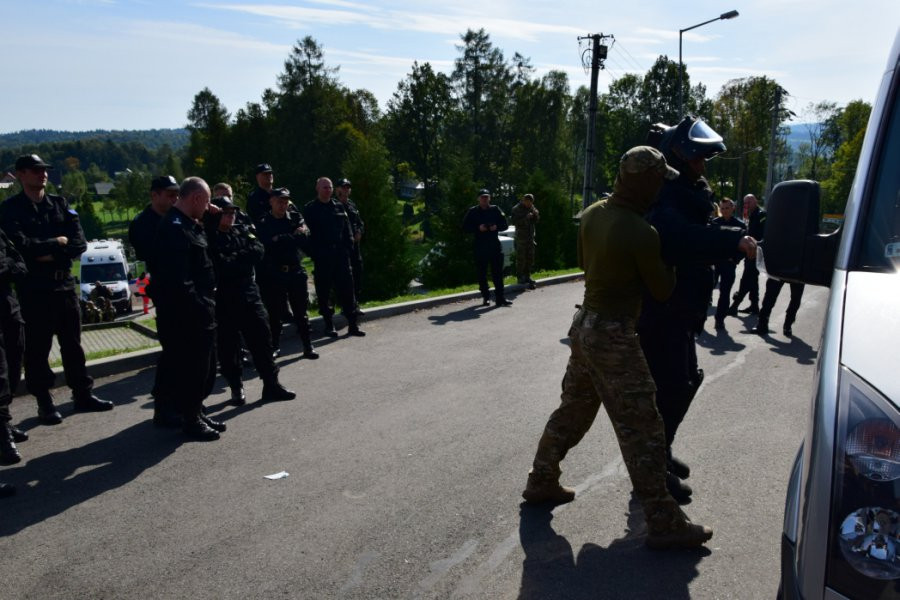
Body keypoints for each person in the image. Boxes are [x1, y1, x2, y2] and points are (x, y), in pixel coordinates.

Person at [522, 146, 713, 550]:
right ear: (646, 180)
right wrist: (672, 260)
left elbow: (583, 263)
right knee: (643, 427)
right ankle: (663, 521)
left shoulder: (592, 213)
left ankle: (541, 480)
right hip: (614, 336)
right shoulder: (643, 232)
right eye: (659, 179)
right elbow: (662, 290)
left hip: (584, 324)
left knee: (572, 409)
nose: (662, 187)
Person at [639, 118, 757, 503]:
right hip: (660, 311)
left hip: (682, 309)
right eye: (699, 159)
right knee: (670, 388)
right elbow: (680, 239)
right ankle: (651, 475)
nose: (703, 166)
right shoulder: (665, 197)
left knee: (686, 382)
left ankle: (661, 454)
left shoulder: (688, 191)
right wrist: (732, 238)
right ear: (680, 156)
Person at [0, 154, 113, 425]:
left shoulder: (60, 204)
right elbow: (21, 248)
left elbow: (78, 244)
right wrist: (56, 243)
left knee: (73, 345)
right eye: (36, 170)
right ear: (21, 175)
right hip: (35, 289)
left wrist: (50, 250)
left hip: (64, 285)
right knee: (38, 348)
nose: (43, 174)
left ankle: (82, 393)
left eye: (45, 170)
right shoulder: (10, 210)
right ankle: (45, 402)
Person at [204, 195, 296, 404]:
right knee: (229, 347)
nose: (231, 216)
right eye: (225, 212)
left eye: (233, 212)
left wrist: (236, 258)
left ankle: (271, 385)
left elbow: (258, 250)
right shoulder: (210, 237)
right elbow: (221, 264)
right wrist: (240, 258)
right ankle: (236, 387)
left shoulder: (242, 230)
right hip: (225, 298)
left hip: (249, 293)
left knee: (263, 340)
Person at [151, 177, 223, 441]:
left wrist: (211, 217)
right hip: (187, 313)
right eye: (205, 202)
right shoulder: (174, 228)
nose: (207, 208)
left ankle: (196, 412)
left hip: (198, 308)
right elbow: (180, 280)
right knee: (192, 368)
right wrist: (202, 306)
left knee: (203, 366)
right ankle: (191, 421)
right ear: (194, 199)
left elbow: (205, 251)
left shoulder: (189, 224)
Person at [128, 175, 180, 427]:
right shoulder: (143, 223)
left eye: (176, 194)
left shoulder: (177, 216)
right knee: (172, 352)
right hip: (165, 290)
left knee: (183, 352)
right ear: (154, 195)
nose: (174, 199)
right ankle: (163, 406)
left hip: (183, 289)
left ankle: (179, 403)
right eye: (169, 194)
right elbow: (157, 253)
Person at [258, 188, 320, 358]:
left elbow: (303, 237)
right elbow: (267, 244)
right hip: (275, 273)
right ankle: (275, 346)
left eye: (286, 201)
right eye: (279, 201)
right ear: (271, 201)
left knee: (301, 311)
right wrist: (288, 237)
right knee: (275, 312)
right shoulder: (264, 221)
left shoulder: (294, 217)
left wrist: (281, 238)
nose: (283, 204)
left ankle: (308, 346)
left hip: (295, 270)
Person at [303, 177, 365, 337]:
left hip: (341, 256)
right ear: (317, 189)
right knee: (324, 293)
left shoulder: (339, 206)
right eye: (324, 187)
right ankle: (329, 325)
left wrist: (348, 248)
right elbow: (306, 236)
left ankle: (353, 325)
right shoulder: (310, 209)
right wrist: (315, 254)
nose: (328, 190)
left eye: (329, 187)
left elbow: (348, 230)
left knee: (348, 290)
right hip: (323, 257)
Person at [0, 227, 26, 465]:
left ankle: (5, 421)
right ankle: (2, 435)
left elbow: (19, 263)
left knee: (14, 365)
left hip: (8, 307)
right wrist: (7, 266)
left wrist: (5, 267)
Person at [462, 189, 512, 306]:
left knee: (498, 274)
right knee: (482, 274)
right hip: (480, 246)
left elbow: (505, 225)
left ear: (490, 198)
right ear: (478, 199)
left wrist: (496, 227)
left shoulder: (496, 210)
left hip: (494, 245)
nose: (484, 199)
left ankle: (500, 298)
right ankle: (486, 297)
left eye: (486, 197)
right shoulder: (473, 211)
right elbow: (464, 227)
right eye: (482, 197)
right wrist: (478, 228)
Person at [711, 197, 746, 331]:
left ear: (733, 208)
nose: (725, 211)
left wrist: (735, 259)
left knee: (724, 294)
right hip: (714, 263)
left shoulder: (740, 225)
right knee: (706, 290)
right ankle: (698, 318)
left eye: (727, 208)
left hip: (729, 264)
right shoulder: (714, 223)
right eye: (722, 208)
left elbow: (744, 246)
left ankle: (719, 319)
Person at [729, 193, 766, 315]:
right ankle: (754, 306)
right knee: (752, 280)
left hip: (756, 252)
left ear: (755, 201)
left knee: (746, 279)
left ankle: (735, 305)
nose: (746, 205)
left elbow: (763, 235)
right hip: (749, 251)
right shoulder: (750, 215)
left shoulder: (761, 215)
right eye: (745, 203)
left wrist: (756, 245)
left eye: (748, 202)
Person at [335, 178, 364, 301]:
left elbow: (360, 222)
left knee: (357, 274)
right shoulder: (334, 205)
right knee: (345, 277)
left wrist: (359, 231)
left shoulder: (352, 204)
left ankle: (356, 302)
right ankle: (345, 304)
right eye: (343, 187)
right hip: (342, 248)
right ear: (337, 189)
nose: (346, 189)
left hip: (355, 247)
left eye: (348, 187)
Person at [510, 193, 540, 289]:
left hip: (530, 237)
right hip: (521, 238)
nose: (529, 204)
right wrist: (526, 218)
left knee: (530, 258)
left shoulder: (532, 207)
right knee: (521, 258)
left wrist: (535, 215)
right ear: (523, 200)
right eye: (527, 202)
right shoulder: (516, 209)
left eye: (530, 202)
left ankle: (527, 276)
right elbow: (514, 222)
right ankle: (520, 277)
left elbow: (536, 220)